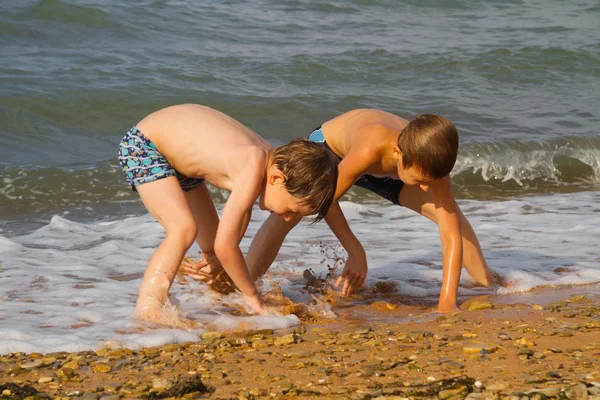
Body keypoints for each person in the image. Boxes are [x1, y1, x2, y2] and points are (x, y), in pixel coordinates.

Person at [241, 108, 497, 313]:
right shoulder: (369, 147)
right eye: (420, 181)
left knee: (452, 218)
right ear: (398, 153)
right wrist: (355, 250)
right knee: (293, 210)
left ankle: (487, 284)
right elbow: (324, 200)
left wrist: (447, 301)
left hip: (392, 169)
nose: (424, 188)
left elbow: (450, 231)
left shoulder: (431, 164)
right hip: (330, 152)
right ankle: (244, 286)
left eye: (428, 182)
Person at [117, 104, 338, 324]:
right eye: (290, 210)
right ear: (277, 179)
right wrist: (253, 295)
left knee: (214, 247)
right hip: (146, 146)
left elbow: (241, 217)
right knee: (183, 229)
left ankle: (221, 300)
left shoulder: (265, 160)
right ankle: (148, 309)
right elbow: (227, 245)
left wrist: (217, 255)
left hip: (179, 159)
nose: (287, 218)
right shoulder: (252, 164)